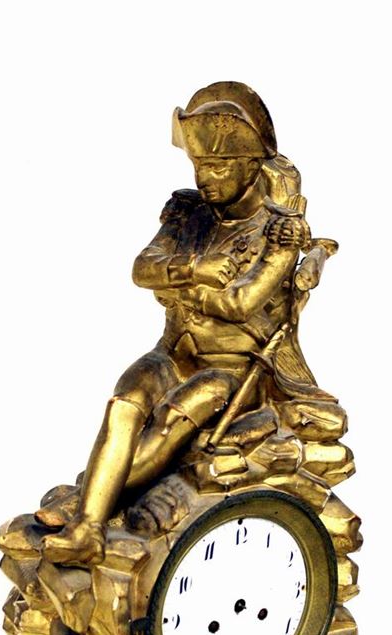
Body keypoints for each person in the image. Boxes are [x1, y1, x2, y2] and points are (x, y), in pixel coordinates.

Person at [42, 82, 311, 566]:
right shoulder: (188, 214)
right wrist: (197, 271)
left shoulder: (279, 232)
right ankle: (88, 531)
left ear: (252, 166)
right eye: (199, 165)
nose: (205, 178)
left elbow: (241, 303)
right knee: (123, 405)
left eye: (219, 167)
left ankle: (88, 501)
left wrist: (176, 287)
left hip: (228, 373)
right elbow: (142, 268)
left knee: (167, 424)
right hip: (172, 353)